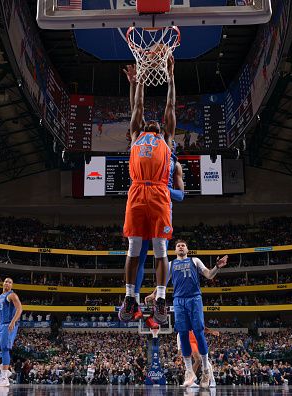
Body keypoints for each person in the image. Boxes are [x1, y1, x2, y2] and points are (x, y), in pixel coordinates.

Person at [120, 55, 176, 325]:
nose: (152, 121)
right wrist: (139, 79)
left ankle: (162, 297)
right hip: (138, 191)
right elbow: (138, 105)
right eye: (147, 122)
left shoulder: (166, 138)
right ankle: (130, 296)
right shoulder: (135, 134)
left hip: (158, 193)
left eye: (157, 122)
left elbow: (170, 104)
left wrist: (171, 76)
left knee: (160, 249)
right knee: (133, 247)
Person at [146, 240, 228, 388]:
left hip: (194, 298)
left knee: (198, 332)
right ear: (175, 250)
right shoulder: (170, 264)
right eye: (178, 246)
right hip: (178, 300)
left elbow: (209, 275)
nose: (181, 247)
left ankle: (205, 370)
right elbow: (162, 284)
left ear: (187, 249)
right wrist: (153, 294)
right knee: (183, 333)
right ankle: (189, 371)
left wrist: (217, 267)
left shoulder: (195, 260)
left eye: (183, 245)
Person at [0, 277, 23, 387]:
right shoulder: (0, 297)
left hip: (9, 325)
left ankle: (4, 378)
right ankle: (5, 369)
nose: (7, 283)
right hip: (1, 325)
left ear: (12, 285)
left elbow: (20, 309)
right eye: (6, 281)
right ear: (3, 283)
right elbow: (1, 314)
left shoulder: (12, 295)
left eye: (10, 282)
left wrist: (13, 321)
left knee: (4, 348)